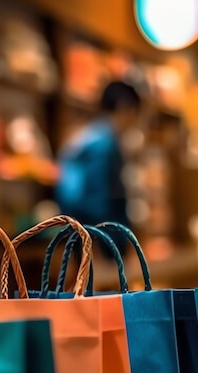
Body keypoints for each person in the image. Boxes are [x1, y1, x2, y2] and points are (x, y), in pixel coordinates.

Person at [54, 80, 142, 258]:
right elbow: (97, 199)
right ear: (125, 108)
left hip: (80, 232)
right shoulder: (104, 143)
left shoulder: (90, 135)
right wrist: (100, 245)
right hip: (95, 236)